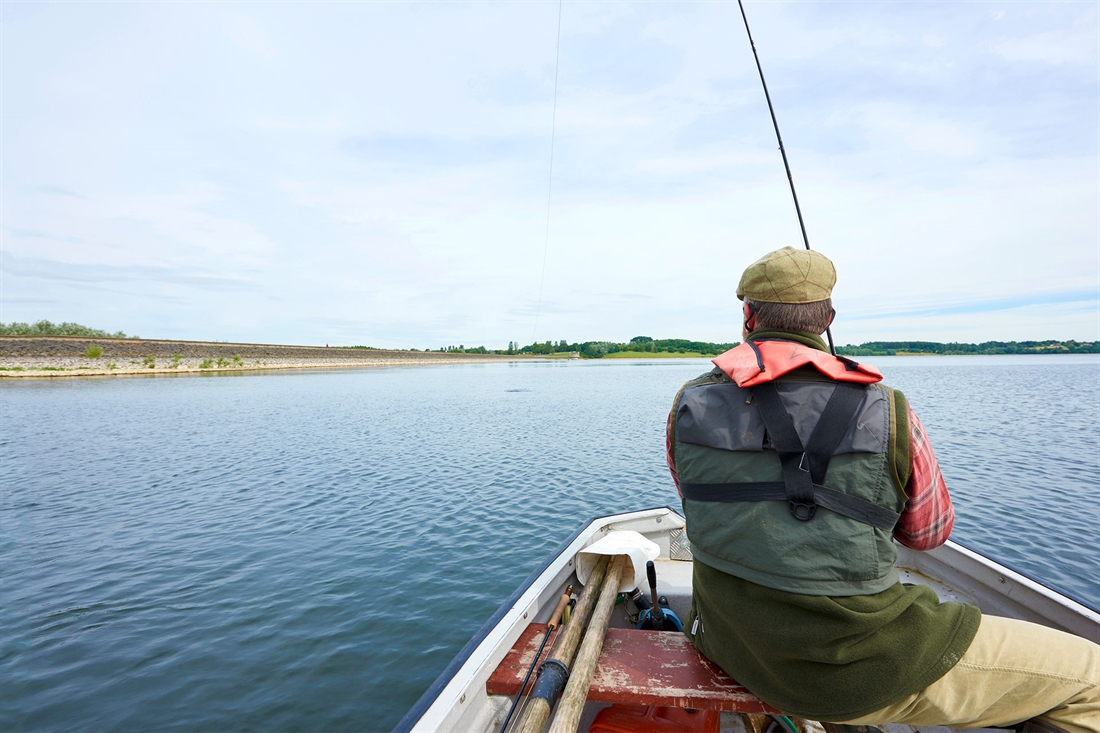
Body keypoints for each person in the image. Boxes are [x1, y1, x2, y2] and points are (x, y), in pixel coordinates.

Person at [665, 246, 1099, 733]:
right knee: (1093, 683)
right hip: (854, 664)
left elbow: (696, 502)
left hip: (729, 641)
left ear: (748, 317)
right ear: (827, 319)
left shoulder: (687, 405)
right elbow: (927, 536)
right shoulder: (888, 410)